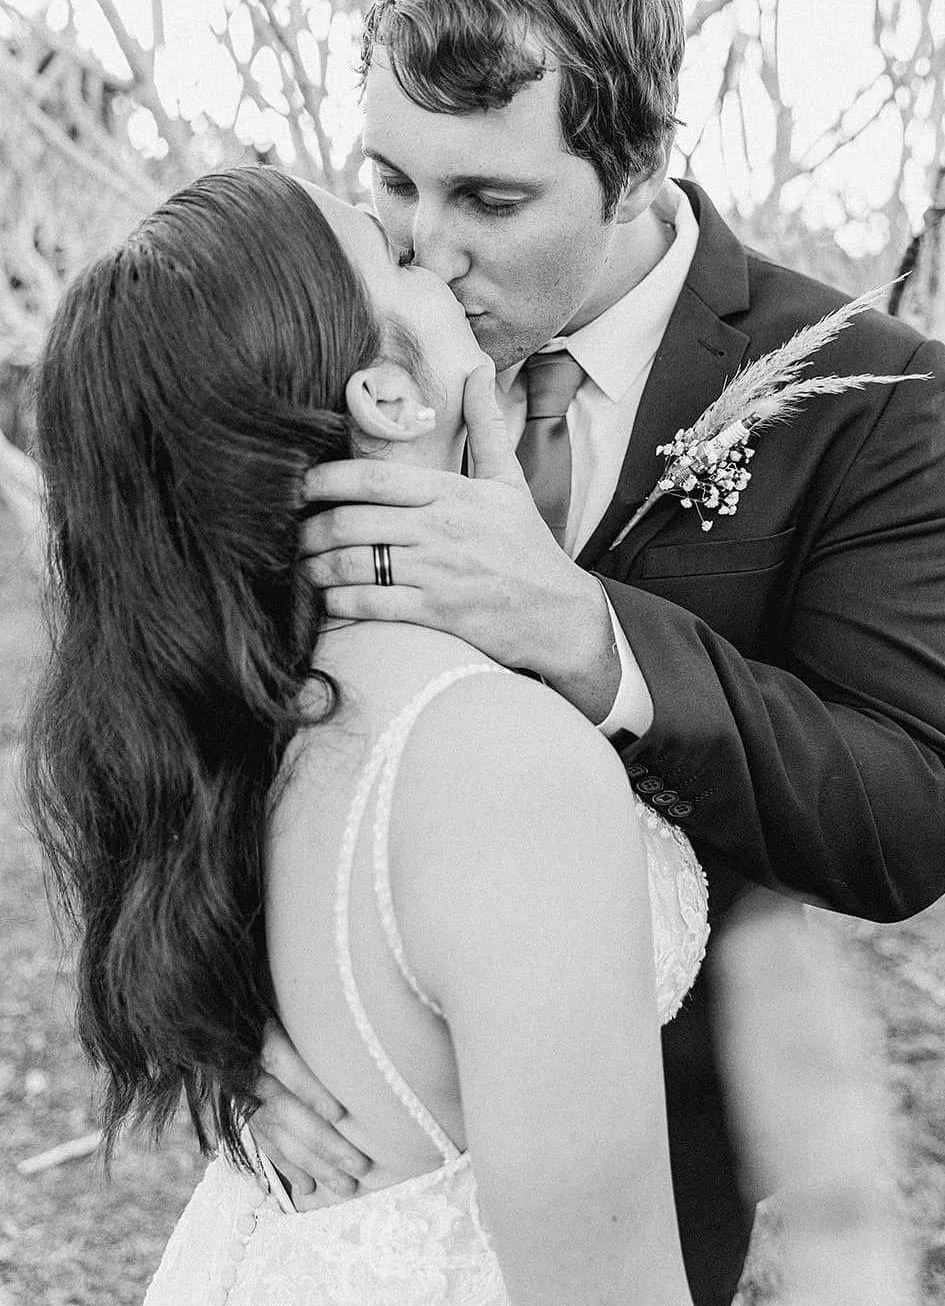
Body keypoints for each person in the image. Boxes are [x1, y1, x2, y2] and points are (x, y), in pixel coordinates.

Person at [252, 0, 945, 1303]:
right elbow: (175, 691)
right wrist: (204, 1014)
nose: (419, 248)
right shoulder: (318, 323)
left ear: (641, 162)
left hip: (639, 1184)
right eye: (389, 180)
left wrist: (588, 641)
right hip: (333, 1169)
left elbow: (915, 810)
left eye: (489, 197)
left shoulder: (860, 393)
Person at [23, 166, 705, 1305]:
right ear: (386, 396)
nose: (431, 250)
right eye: (391, 255)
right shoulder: (501, 767)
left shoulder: (234, 724)